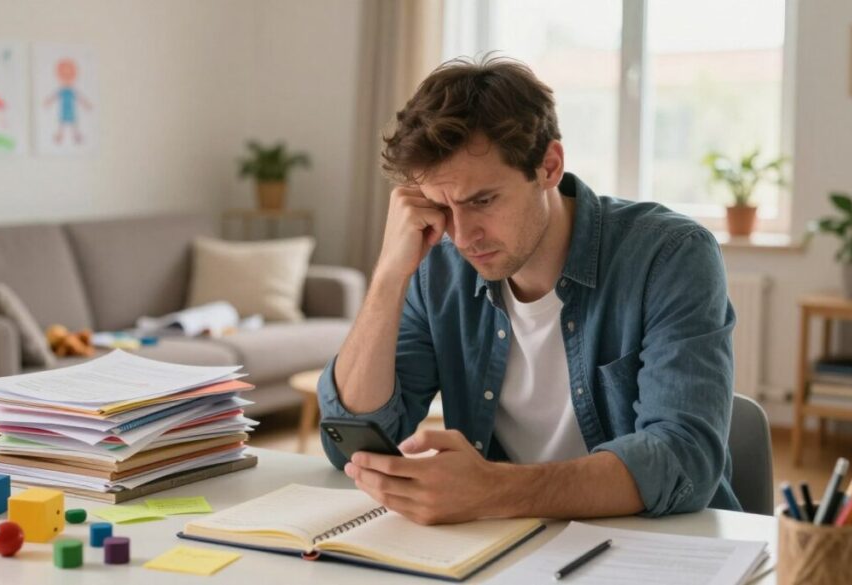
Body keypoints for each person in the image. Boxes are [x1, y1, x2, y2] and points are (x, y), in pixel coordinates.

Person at [317, 56, 741, 525]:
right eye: (441, 206)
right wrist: (389, 276)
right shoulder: (436, 262)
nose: (462, 236)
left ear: (549, 166)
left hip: (658, 547)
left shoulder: (670, 256)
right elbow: (354, 439)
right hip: (507, 543)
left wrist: (491, 490)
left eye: (483, 201)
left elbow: (683, 459)